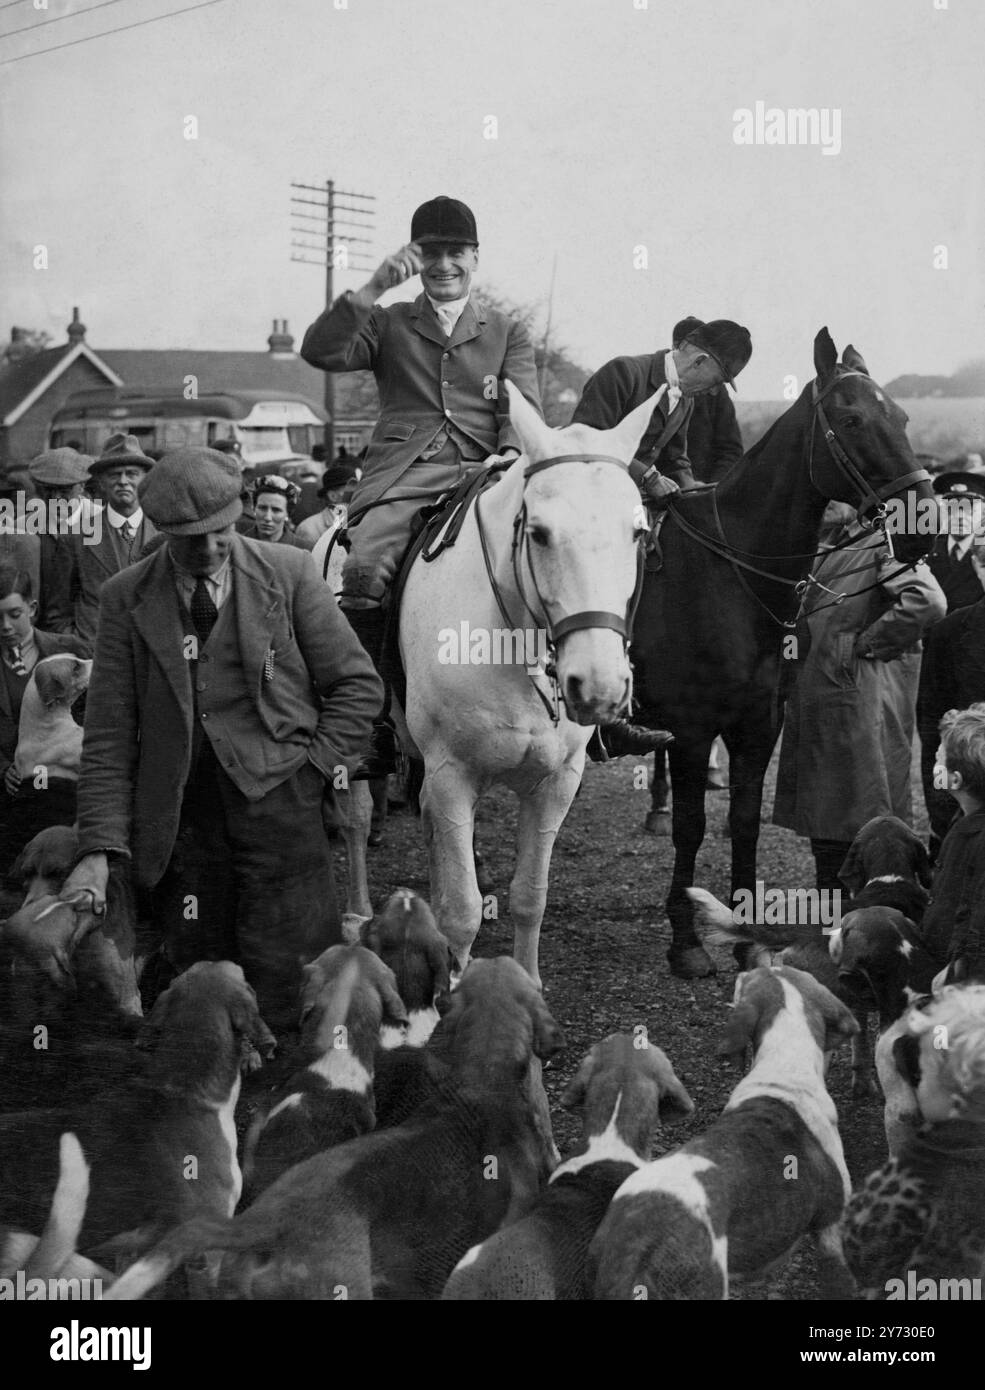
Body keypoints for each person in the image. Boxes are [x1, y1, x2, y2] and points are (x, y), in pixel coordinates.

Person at [62, 448, 382, 1027]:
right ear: (161, 530)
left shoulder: (289, 572)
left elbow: (358, 686)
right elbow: (107, 738)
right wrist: (97, 849)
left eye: (220, 533)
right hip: (185, 825)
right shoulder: (125, 598)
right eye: (190, 541)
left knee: (300, 983)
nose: (208, 550)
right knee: (204, 992)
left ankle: (298, 1100)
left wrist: (314, 769)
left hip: (285, 810)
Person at [300, 195, 541, 775]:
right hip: (405, 473)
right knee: (361, 572)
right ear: (413, 259)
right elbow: (320, 351)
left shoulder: (507, 331)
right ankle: (373, 724)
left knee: (560, 548)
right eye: (429, 253)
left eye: (455, 252)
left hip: (489, 469)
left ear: (475, 257)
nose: (443, 264)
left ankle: (585, 708)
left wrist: (509, 450)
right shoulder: (385, 321)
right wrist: (371, 288)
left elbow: (522, 404)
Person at [572, 315, 752, 759]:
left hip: (636, 506)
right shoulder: (624, 373)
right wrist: (646, 475)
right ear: (699, 359)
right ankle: (600, 715)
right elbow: (587, 438)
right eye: (718, 379)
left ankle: (648, 693)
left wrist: (694, 490)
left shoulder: (684, 399)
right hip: (592, 501)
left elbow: (678, 457)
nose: (714, 391)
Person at [773, 517, 946, 891]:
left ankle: (871, 916)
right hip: (825, 696)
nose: (824, 503)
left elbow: (927, 600)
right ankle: (835, 914)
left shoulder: (883, 544)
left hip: (857, 700)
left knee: (859, 811)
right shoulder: (830, 543)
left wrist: (867, 644)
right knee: (829, 813)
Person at [0, 564, 89, 870]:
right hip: (11, 800)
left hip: (68, 796)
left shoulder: (70, 650)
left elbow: (102, 709)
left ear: (32, 608)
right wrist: (2, 769)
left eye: (14, 614)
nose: (6, 626)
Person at [917, 542, 985, 858]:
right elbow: (931, 731)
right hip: (966, 808)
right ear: (977, 568)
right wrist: (943, 810)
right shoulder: (949, 633)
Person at [60, 434, 157, 650]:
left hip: (151, 652)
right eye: (114, 475)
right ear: (102, 482)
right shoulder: (76, 536)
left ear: (145, 480)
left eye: (132, 474)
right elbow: (59, 609)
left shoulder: (165, 533)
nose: (123, 481)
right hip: (95, 651)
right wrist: (75, 646)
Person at [915, 705, 985, 973]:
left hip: (958, 979)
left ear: (955, 780)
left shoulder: (977, 839)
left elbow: (977, 922)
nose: (933, 757)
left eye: (938, 758)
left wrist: (955, 971)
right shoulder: (961, 820)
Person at [27, 447, 101, 633]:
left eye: (65, 491)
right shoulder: (24, 526)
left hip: (90, 632)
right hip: (37, 630)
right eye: (48, 490)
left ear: (82, 486)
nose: (56, 498)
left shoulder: (102, 522)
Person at [926, 471, 985, 613]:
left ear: (983, 512)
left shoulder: (983, 554)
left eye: (969, 509)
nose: (959, 516)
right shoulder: (927, 548)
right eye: (951, 508)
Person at [240, 475, 311, 550]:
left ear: (287, 514)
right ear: (254, 508)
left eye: (276, 510)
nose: (268, 517)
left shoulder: (304, 549)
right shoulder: (238, 546)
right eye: (262, 508)